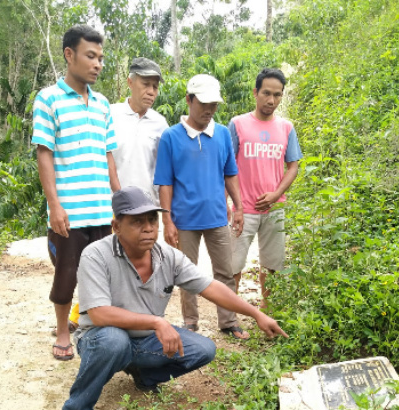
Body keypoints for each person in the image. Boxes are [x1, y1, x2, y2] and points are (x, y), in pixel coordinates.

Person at [60, 187, 287, 410]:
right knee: (114, 341)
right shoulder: (96, 255)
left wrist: (256, 314)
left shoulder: (168, 256)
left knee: (203, 349)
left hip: (144, 339)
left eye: (152, 220)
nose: (148, 228)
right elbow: (99, 314)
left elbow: (211, 287)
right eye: (137, 221)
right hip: (99, 337)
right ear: (116, 227)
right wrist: (157, 322)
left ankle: (143, 374)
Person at [31, 24, 121, 361]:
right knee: (66, 274)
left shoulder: (102, 105)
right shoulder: (48, 99)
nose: (98, 64)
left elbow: (108, 155)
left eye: (101, 58)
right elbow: (44, 153)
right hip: (70, 210)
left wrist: (119, 200)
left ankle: (93, 328)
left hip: (102, 209)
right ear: (69, 55)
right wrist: (54, 205)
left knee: (103, 276)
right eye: (91, 56)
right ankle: (63, 332)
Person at [153, 74, 249, 340]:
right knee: (186, 274)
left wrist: (239, 207)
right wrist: (167, 221)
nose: (209, 110)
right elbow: (165, 182)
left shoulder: (222, 134)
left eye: (213, 104)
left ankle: (229, 321)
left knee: (225, 271)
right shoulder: (171, 137)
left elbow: (230, 173)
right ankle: (191, 324)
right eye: (204, 103)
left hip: (217, 216)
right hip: (184, 220)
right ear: (189, 100)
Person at [228, 68, 303, 309]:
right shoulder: (238, 124)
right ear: (255, 93)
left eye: (277, 95)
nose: (272, 100)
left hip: (274, 209)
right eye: (267, 93)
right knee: (233, 266)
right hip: (243, 209)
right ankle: (229, 317)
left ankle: (268, 312)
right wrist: (230, 204)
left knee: (272, 265)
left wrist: (276, 194)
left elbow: (293, 166)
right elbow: (226, 166)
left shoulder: (286, 128)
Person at [110, 58, 170, 205]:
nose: (151, 92)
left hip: (148, 207)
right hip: (113, 208)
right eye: (145, 84)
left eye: (155, 87)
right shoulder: (110, 115)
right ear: (130, 82)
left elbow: (166, 170)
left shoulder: (160, 124)